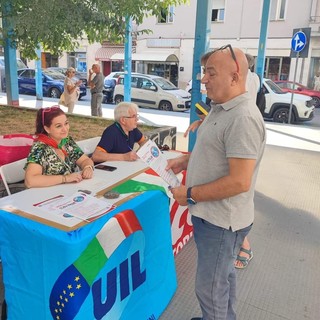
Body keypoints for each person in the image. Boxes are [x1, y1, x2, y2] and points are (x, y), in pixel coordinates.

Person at [167, 45, 266, 320]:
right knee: (222, 280)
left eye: (210, 73)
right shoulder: (221, 109)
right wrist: (185, 162)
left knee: (210, 288)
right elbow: (216, 154)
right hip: (216, 218)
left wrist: (190, 194)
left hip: (222, 221)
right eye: (204, 72)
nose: (203, 79)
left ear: (235, 77)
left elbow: (238, 181)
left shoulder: (242, 118)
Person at [24, 106, 94, 188]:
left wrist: (88, 167)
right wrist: (65, 178)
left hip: (70, 191)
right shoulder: (40, 148)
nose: (65, 129)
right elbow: (30, 181)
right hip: (48, 195)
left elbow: (84, 160)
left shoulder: (66, 141)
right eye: (58, 126)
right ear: (47, 129)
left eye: (66, 123)